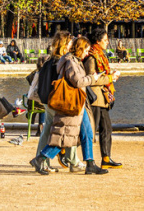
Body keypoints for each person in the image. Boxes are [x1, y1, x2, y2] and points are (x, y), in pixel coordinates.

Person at [30, 36, 111, 176]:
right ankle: (41, 158)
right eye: (85, 50)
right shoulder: (70, 62)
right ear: (79, 49)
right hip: (72, 102)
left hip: (78, 102)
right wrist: (94, 78)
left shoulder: (73, 60)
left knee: (87, 133)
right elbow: (78, 81)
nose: (87, 53)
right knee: (66, 135)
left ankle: (90, 163)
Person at [83, 29, 122, 169]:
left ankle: (106, 157)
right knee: (90, 131)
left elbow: (100, 75)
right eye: (105, 40)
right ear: (97, 41)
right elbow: (91, 79)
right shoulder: (92, 57)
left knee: (107, 129)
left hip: (103, 97)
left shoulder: (100, 55)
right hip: (95, 98)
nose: (107, 42)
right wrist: (111, 78)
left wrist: (110, 76)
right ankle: (87, 160)